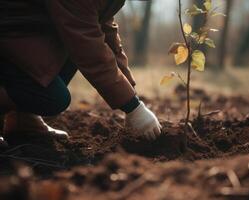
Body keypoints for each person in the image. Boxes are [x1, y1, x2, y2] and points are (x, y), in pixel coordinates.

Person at [0, 0, 162, 147]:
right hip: (9, 36)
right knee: (52, 99)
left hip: (25, 32)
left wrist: (132, 94)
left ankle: (24, 119)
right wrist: (132, 106)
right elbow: (87, 44)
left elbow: (103, 29)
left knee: (71, 50)